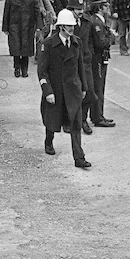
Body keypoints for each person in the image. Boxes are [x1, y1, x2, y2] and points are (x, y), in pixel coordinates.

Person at [38, 9, 91, 169]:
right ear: (61, 27)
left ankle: (79, 158)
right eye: (69, 26)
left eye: (73, 26)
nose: (72, 29)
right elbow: (42, 71)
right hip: (55, 91)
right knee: (52, 121)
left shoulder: (77, 42)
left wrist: (83, 87)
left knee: (76, 124)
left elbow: (80, 66)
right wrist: (48, 91)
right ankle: (49, 141)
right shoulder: (48, 45)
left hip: (73, 90)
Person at [66, 0, 95, 135]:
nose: (80, 12)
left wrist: (89, 54)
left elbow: (90, 41)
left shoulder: (86, 22)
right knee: (71, 94)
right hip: (70, 63)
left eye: (81, 9)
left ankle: (83, 119)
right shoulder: (65, 23)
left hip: (85, 62)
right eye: (77, 9)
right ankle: (70, 121)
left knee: (88, 92)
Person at [88, 0, 117, 128]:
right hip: (98, 58)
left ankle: (98, 114)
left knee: (99, 86)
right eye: (105, 6)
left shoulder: (98, 20)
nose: (107, 7)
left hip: (100, 57)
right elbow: (101, 43)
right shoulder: (96, 22)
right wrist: (110, 36)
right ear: (100, 8)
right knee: (98, 87)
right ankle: (97, 117)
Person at [3, 0, 38, 77]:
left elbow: (36, 11)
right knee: (16, 48)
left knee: (26, 49)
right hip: (15, 26)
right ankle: (17, 68)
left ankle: (25, 69)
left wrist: (38, 25)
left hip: (27, 26)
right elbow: (6, 13)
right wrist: (5, 27)